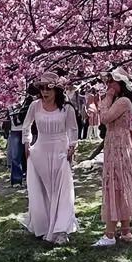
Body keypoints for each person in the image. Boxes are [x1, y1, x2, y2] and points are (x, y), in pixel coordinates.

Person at [93, 69, 132, 246]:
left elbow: (105, 117)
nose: (109, 86)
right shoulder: (121, 101)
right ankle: (125, 230)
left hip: (118, 145)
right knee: (119, 185)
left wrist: (107, 97)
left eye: (112, 82)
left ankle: (109, 234)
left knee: (115, 185)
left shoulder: (123, 101)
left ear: (119, 84)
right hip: (116, 144)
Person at [23, 72, 79, 245]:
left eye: (48, 89)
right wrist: (26, 143)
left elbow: (73, 129)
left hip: (61, 151)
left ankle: (61, 228)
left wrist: (72, 146)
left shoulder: (66, 108)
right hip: (40, 150)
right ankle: (44, 224)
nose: (45, 92)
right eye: (42, 89)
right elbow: (26, 125)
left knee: (63, 190)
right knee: (43, 190)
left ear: (57, 90)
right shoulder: (35, 105)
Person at [6, 85, 32, 188]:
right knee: (15, 156)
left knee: (28, 155)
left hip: (25, 129)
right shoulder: (7, 102)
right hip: (14, 131)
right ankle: (16, 180)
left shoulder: (25, 101)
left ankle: (28, 177)